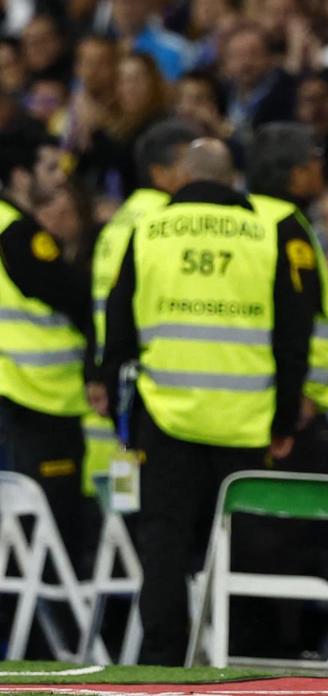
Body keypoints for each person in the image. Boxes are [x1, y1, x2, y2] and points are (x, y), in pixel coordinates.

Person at [100, 137, 318, 665]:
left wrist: (118, 409)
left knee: (164, 544)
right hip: (245, 422)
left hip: (166, 415)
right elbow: (294, 334)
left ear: (180, 178)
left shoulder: (147, 230)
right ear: (232, 179)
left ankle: (161, 661)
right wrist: (285, 418)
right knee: (246, 545)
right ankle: (246, 659)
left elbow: (119, 327)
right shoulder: (265, 233)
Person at [0, 127, 94, 569]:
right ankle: (49, 638)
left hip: (19, 396)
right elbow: (75, 297)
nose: (62, 177)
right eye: (49, 167)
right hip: (36, 398)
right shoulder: (19, 234)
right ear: (20, 176)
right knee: (48, 539)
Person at [88, 117, 195, 495]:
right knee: (156, 505)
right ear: (159, 172)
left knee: (130, 500)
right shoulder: (163, 223)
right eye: (189, 163)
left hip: (118, 377)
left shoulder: (121, 219)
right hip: (150, 384)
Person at [246, 122, 328, 419]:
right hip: (298, 395)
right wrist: (301, 396)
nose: (321, 167)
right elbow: (299, 317)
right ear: (296, 173)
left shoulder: (245, 218)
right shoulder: (287, 227)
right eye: (314, 158)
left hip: (258, 389)